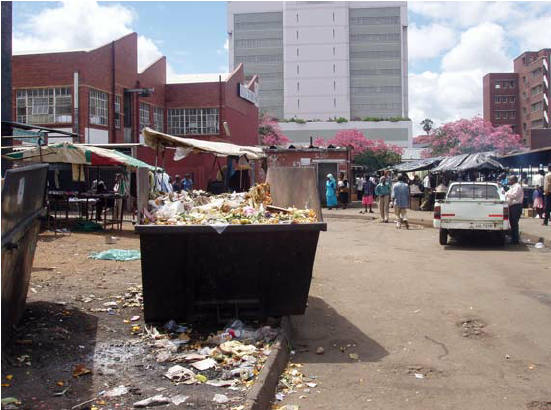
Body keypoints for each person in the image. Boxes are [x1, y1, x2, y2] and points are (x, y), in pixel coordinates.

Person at [505, 175, 524, 244]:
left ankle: (515, 240)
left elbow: (514, 196)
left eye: (510, 180)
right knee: (512, 223)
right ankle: (514, 238)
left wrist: (505, 193)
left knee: (514, 223)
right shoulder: (513, 187)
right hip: (512, 206)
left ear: (513, 180)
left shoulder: (517, 187)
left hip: (516, 206)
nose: (508, 181)